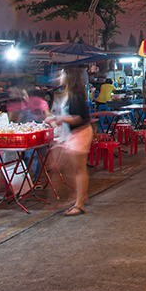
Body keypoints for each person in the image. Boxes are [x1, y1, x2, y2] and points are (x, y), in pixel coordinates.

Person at [46, 67, 92, 216]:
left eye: (63, 74)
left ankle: (79, 203)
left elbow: (79, 118)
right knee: (70, 167)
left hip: (80, 133)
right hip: (73, 134)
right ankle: (78, 196)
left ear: (70, 77)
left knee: (78, 170)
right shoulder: (67, 94)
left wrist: (59, 119)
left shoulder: (75, 96)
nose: (60, 77)